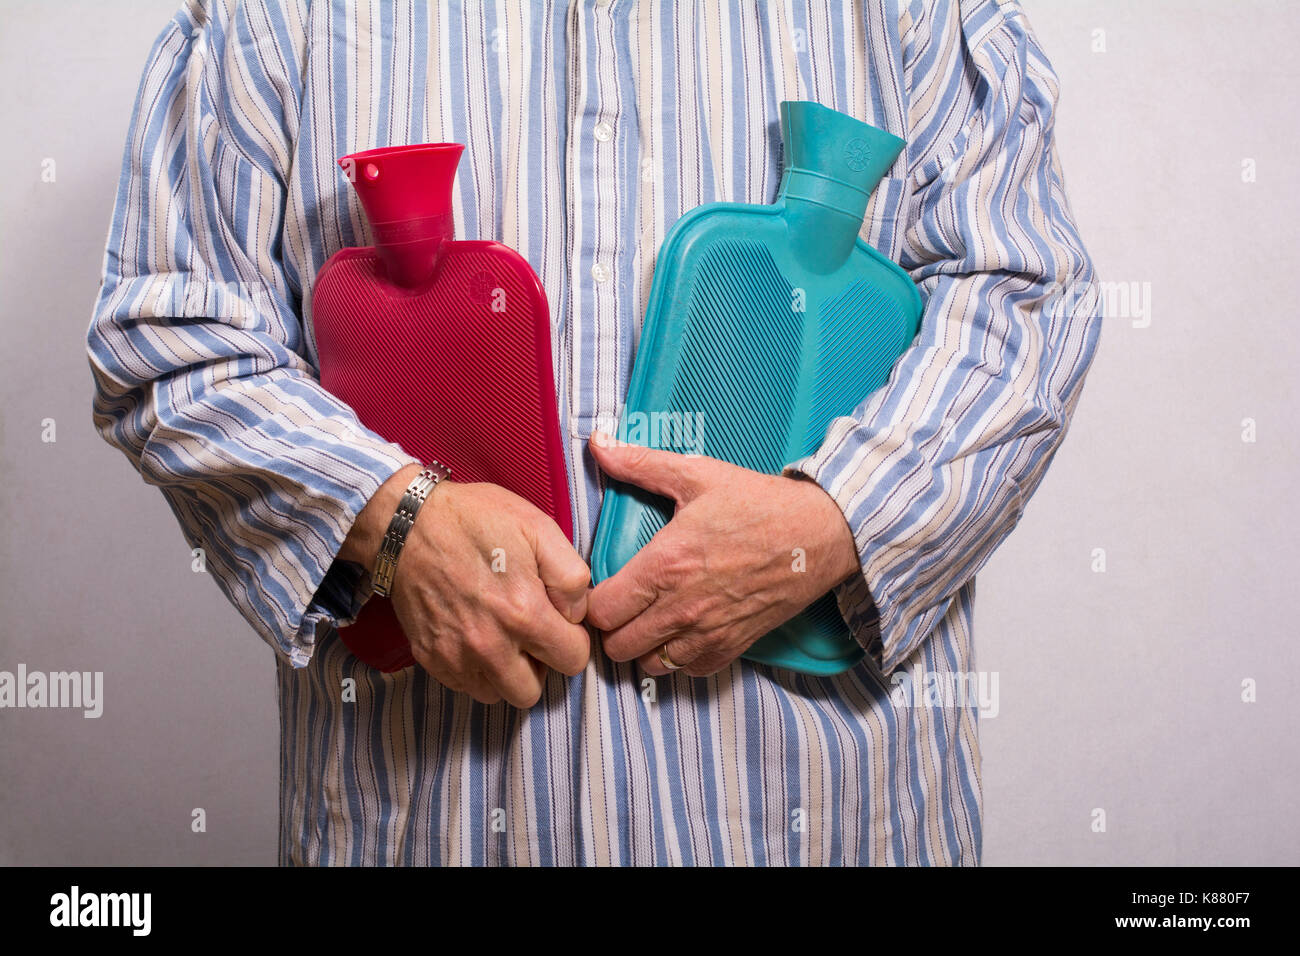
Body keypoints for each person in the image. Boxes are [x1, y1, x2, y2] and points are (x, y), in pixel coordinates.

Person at [86, 0, 1102, 865]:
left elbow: (1022, 296)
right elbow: (174, 333)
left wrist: (830, 520)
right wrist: (393, 523)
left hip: (825, 812)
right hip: (432, 816)